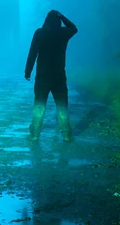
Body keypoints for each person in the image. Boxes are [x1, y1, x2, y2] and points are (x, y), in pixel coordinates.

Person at [25, 10, 78, 142]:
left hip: (42, 76)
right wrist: (61, 15)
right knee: (62, 105)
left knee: (39, 104)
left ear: (46, 21)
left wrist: (28, 70)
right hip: (59, 76)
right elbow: (74, 28)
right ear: (58, 22)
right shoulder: (63, 33)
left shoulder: (40, 33)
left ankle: (35, 134)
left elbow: (32, 53)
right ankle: (67, 135)